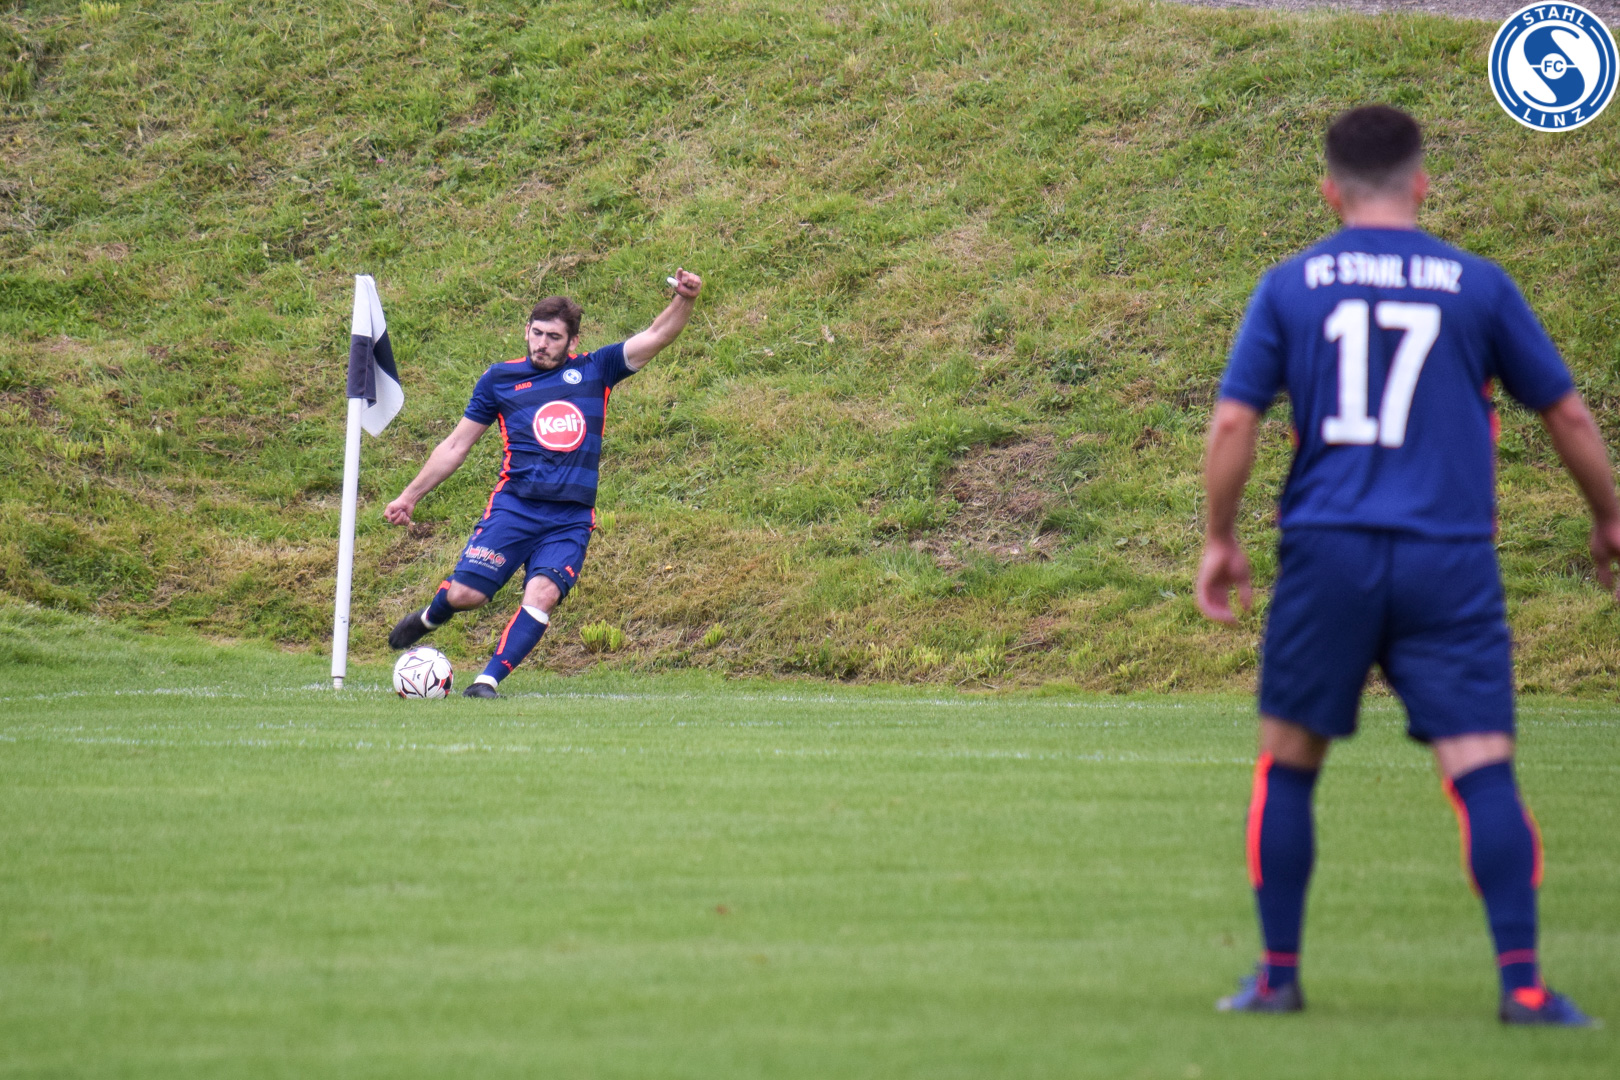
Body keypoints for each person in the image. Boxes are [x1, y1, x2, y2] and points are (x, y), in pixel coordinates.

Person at [1195, 105, 1618, 1025]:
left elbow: (1233, 422)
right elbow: (1566, 413)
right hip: (1448, 557)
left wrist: (1220, 536)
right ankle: (1524, 987)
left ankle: (1276, 978)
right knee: (1481, 769)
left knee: (1289, 766)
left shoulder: (1292, 285)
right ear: (1421, 184)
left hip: (1328, 552)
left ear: (1329, 191)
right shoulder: (1477, 285)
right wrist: (1608, 516)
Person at [383, 270, 704, 697]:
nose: (542, 344)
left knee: (543, 593)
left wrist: (685, 298)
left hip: (569, 517)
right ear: (526, 331)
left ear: (572, 341)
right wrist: (409, 496)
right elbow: (457, 445)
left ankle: (486, 682)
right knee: (466, 596)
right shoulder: (499, 379)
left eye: (554, 337)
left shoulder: (596, 369)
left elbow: (657, 335)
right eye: (537, 333)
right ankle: (431, 616)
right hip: (515, 506)